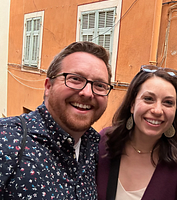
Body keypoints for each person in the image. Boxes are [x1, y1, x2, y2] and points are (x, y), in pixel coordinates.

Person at [0, 41, 113, 199]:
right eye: (75, 79)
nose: (88, 93)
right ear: (48, 87)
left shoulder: (95, 148)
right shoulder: (7, 140)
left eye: (100, 85)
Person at [97, 65, 177, 200]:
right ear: (132, 105)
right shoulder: (104, 144)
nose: (157, 110)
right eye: (149, 99)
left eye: (168, 103)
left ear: (175, 112)